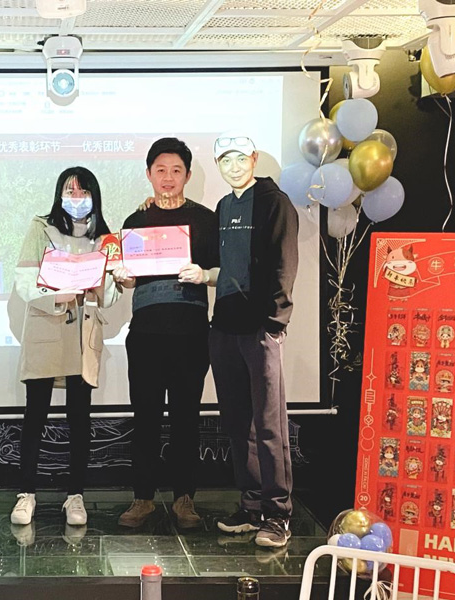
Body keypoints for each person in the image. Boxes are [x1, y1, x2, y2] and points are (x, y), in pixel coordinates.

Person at [113, 138, 219, 529]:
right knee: (145, 418)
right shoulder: (134, 221)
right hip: (145, 335)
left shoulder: (206, 220)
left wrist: (205, 275)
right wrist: (122, 277)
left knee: (186, 418)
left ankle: (184, 500)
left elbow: (223, 272)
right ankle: (142, 498)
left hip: (191, 334)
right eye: (161, 170)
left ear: (187, 175)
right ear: (149, 174)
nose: (168, 177)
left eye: (176, 170)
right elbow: (128, 280)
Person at [7, 166, 119, 528]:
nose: (76, 198)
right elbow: (24, 279)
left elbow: (111, 296)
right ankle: (26, 493)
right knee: (35, 415)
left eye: (83, 192)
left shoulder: (106, 238)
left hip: (82, 336)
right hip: (46, 328)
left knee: (79, 419)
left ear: (94, 196)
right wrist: (57, 294)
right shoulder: (41, 228)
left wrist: (100, 286)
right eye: (70, 192)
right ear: (59, 195)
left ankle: (75, 495)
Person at [207, 134, 299, 548]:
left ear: (254, 159)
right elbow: (222, 266)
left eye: (240, 158)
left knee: (268, 424)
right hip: (224, 328)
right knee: (237, 423)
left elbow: (284, 264)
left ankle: (278, 514)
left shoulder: (275, 202)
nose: (233, 166)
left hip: (260, 329)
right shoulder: (224, 206)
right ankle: (250, 506)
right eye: (225, 160)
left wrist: (274, 322)